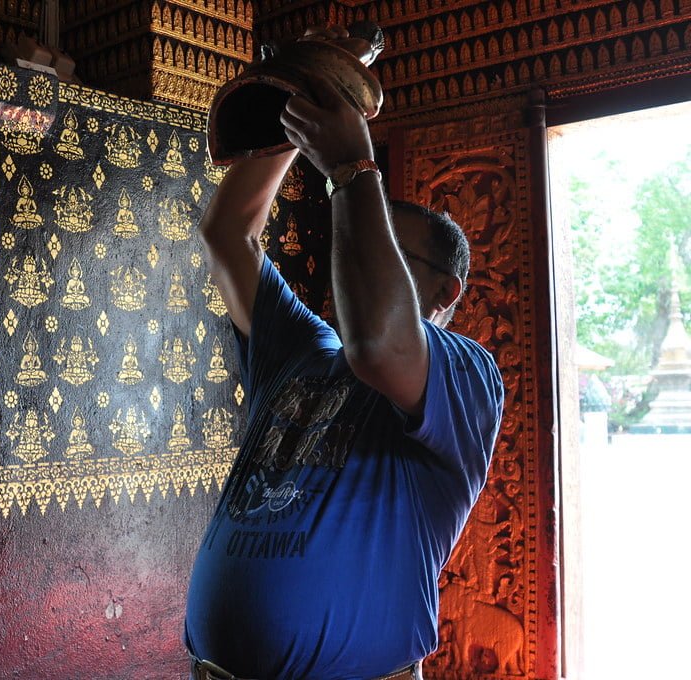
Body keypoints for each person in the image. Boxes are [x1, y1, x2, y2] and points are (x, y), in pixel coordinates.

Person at [184, 25, 505, 680]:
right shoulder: (301, 348)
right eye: (360, 235)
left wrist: (353, 171)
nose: (356, 254)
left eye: (390, 249)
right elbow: (227, 234)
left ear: (445, 291)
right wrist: (301, 97)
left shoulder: (466, 373)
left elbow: (380, 345)